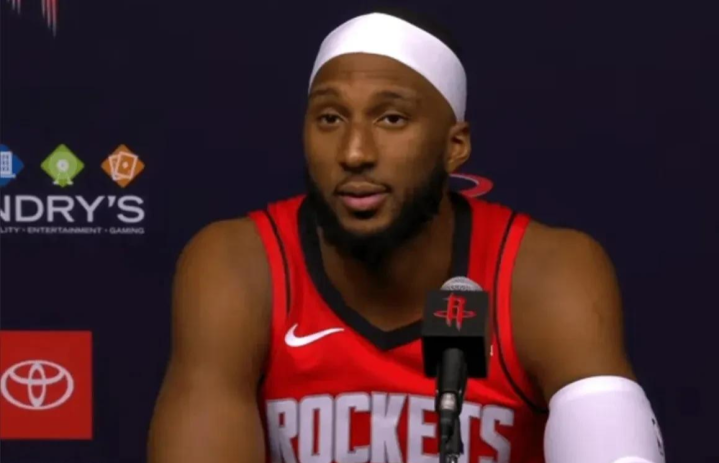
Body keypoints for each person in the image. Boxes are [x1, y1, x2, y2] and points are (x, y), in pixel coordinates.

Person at [148, 9, 666, 463]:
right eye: (330, 118)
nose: (354, 152)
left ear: (454, 146)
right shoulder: (243, 267)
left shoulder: (543, 274)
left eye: (391, 119)